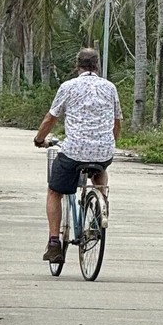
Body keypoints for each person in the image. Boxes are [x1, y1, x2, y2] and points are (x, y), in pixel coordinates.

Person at [34, 48, 122, 262]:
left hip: (74, 151)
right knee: (100, 170)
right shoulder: (109, 87)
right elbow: (117, 121)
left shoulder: (68, 86)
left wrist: (39, 139)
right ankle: (100, 205)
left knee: (54, 191)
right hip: (103, 150)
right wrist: (109, 143)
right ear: (97, 66)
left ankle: (54, 243)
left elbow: (50, 118)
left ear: (77, 65)